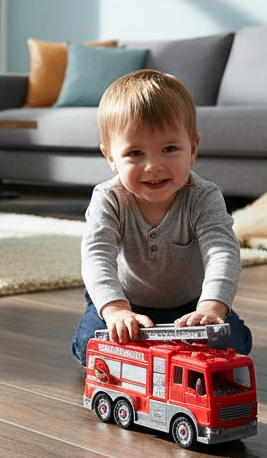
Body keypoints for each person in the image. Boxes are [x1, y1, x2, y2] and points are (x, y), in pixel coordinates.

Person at [71, 69, 252, 366]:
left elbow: (222, 252)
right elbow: (96, 256)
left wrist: (212, 306)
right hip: (126, 303)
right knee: (88, 346)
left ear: (192, 149)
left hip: (190, 307)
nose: (153, 165)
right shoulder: (109, 198)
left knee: (235, 343)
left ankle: (157, 349)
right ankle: (151, 346)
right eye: (135, 153)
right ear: (111, 158)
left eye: (169, 149)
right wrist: (116, 310)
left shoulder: (204, 196)